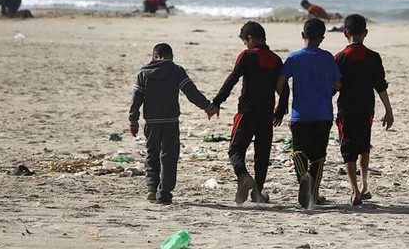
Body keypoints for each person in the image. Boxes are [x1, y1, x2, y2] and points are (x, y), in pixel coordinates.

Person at [211, 21, 290, 204]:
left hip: (246, 112)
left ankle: (243, 175)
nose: (245, 45)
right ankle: (257, 193)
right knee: (262, 155)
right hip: (266, 115)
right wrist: (280, 109)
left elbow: (232, 80)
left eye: (245, 42)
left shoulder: (247, 56)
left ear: (250, 38)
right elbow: (283, 87)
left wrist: (216, 102)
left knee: (235, 150)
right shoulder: (276, 59)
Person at [129, 43, 218, 205]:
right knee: (169, 156)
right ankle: (164, 192)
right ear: (171, 56)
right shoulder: (176, 71)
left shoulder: (143, 74)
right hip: (170, 121)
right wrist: (208, 107)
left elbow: (136, 99)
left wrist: (133, 120)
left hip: (151, 122)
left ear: (154, 57)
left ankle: (151, 188)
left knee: (152, 153)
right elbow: (191, 92)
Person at [276, 18, 342, 209]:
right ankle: (314, 193)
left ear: (303, 35)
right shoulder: (328, 58)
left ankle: (303, 178)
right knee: (319, 157)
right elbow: (338, 84)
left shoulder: (294, 58)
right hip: (323, 114)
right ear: (322, 38)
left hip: (300, 114)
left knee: (298, 152)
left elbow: (280, 82)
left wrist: (283, 99)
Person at [334, 14, 393, 206]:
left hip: (346, 110)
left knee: (348, 150)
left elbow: (334, 87)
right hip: (367, 108)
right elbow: (380, 86)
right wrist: (388, 110)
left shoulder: (340, 58)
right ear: (365, 33)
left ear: (345, 33)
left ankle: (354, 191)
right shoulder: (373, 57)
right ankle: (364, 183)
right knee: (364, 146)